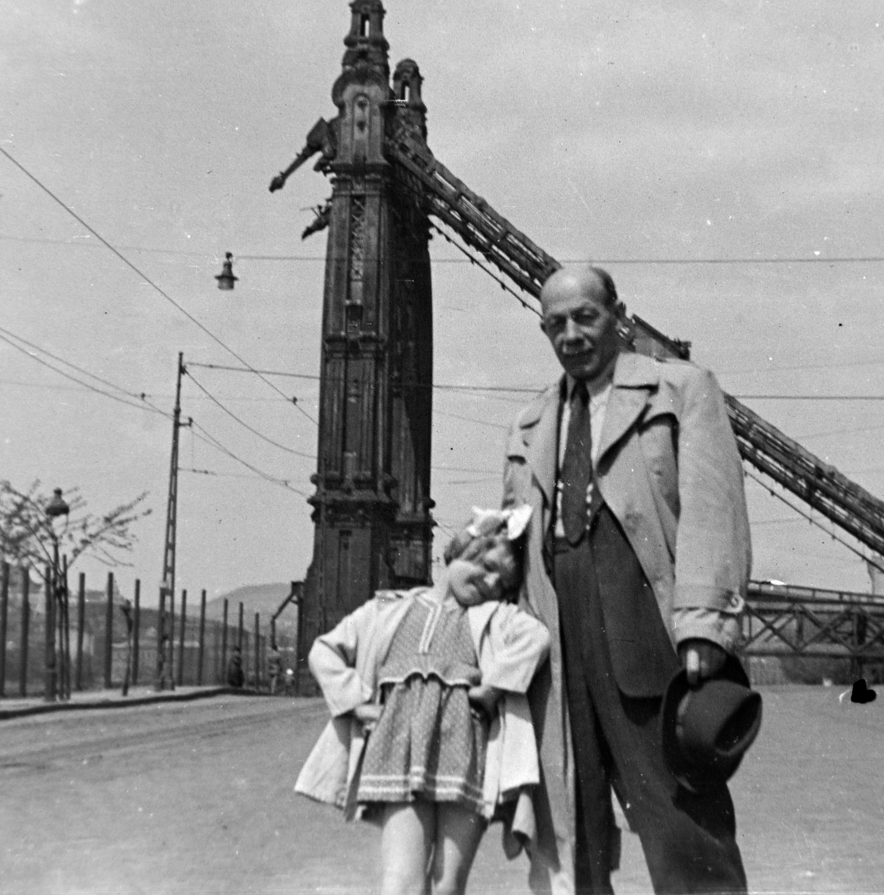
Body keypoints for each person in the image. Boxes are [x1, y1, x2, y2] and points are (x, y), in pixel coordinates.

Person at [505, 266, 752, 894]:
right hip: (560, 650)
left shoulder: (680, 390)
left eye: (585, 317)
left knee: (684, 830)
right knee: (574, 837)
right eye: (555, 325)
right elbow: (513, 543)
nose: (572, 335)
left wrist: (702, 623)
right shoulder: (530, 425)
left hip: (649, 637)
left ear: (619, 314)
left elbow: (711, 509)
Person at [295, 509, 551, 895]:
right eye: (485, 565)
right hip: (397, 754)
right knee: (401, 883)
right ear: (458, 551)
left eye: (502, 582)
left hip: (467, 758)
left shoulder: (494, 618)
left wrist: (493, 686)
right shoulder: (386, 611)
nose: (490, 581)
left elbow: (537, 637)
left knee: (447, 885)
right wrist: (356, 702)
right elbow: (323, 651)